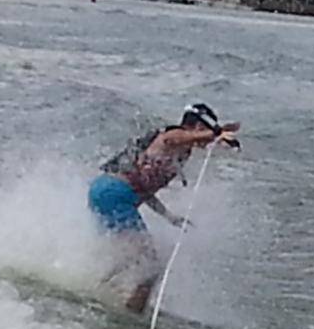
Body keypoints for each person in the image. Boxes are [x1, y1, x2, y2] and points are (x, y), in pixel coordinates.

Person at [88, 103, 240, 311]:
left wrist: (168, 216)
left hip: (109, 192)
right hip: (114, 194)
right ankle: (131, 318)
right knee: (151, 266)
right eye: (202, 129)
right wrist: (215, 133)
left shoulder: (183, 153)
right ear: (196, 126)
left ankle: (94, 291)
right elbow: (173, 138)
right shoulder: (173, 136)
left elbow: (144, 188)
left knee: (128, 257)